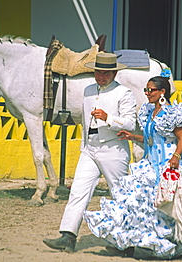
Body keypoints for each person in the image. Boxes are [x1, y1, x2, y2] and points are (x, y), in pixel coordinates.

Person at [83, 75, 182, 259]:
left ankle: (173, 244)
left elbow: (181, 138)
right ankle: (142, 243)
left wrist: (176, 157)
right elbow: (151, 140)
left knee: (168, 204)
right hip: (150, 163)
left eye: (151, 90)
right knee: (140, 202)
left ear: (162, 92)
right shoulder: (149, 113)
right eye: (146, 90)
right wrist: (132, 137)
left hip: (168, 165)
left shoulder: (171, 113)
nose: (147, 93)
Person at [43, 53, 137, 252]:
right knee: (78, 191)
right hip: (90, 149)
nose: (101, 76)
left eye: (105, 73)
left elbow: (130, 123)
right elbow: (85, 121)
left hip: (113, 149)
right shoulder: (88, 90)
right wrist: (85, 146)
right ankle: (68, 236)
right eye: (98, 72)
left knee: (120, 194)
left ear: (114, 73)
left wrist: (108, 117)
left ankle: (127, 240)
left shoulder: (124, 93)